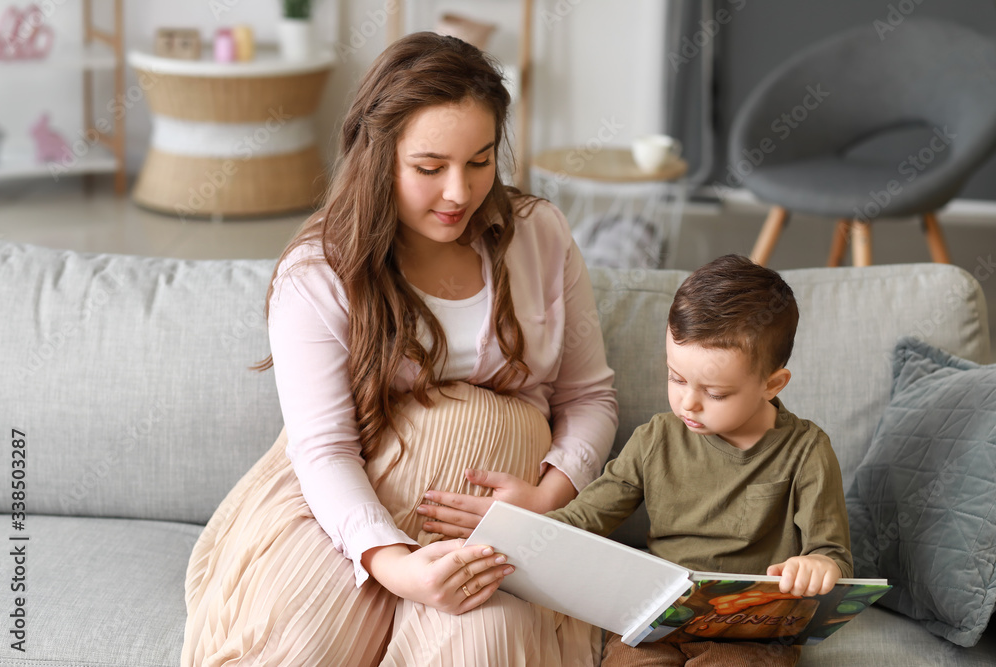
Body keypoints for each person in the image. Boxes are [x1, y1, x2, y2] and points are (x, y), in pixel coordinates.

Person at [180, 32, 619, 667]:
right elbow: (324, 448)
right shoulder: (319, 273)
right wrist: (394, 565)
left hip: (493, 535)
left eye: (479, 161)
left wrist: (547, 497)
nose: (458, 194)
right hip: (344, 521)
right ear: (378, 156)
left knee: (485, 647)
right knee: (301, 648)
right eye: (429, 166)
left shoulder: (538, 235)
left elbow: (589, 395)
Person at [546, 254, 853, 667]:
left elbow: (832, 555)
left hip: (750, 634)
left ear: (772, 384)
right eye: (675, 378)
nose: (687, 403)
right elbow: (581, 520)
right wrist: (513, 540)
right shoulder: (655, 439)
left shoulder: (806, 450)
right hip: (655, 622)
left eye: (716, 393)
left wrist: (817, 566)